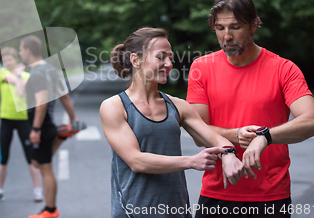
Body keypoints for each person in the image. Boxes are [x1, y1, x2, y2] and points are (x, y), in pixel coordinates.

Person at [187, 0, 314, 218]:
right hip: (217, 194)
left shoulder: (283, 69)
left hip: (271, 198)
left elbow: (313, 121)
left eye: (235, 27)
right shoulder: (202, 67)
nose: (226, 36)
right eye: (220, 28)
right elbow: (197, 132)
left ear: (254, 25)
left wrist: (264, 136)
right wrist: (234, 136)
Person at [100, 27, 244, 218]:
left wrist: (228, 154)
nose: (168, 64)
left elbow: (215, 139)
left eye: (170, 57)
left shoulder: (178, 106)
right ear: (136, 60)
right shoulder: (114, 107)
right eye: (161, 57)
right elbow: (137, 161)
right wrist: (192, 161)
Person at [19, 35, 80, 218]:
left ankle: (50, 210)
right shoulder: (52, 70)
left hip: (42, 126)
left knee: (45, 167)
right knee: (38, 162)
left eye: (21, 49)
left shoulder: (37, 73)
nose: (20, 53)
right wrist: (73, 119)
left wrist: (36, 129)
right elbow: (64, 96)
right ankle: (61, 135)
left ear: (28, 50)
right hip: (47, 125)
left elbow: (41, 103)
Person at [0, 47, 43, 204]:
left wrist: (20, 75)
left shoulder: (26, 75)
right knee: (3, 157)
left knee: (30, 156)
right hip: (6, 119)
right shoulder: (2, 73)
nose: (7, 63)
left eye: (10, 60)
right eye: (4, 60)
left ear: (16, 60)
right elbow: (17, 85)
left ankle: (37, 189)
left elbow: (21, 92)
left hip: (23, 119)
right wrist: (19, 77)